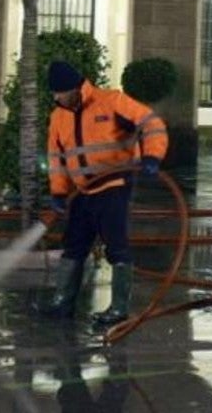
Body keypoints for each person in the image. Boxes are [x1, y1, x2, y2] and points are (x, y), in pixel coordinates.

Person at [37, 60, 169, 326]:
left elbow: (151, 123)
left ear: (75, 87)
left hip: (114, 186)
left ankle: (119, 308)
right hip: (84, 192)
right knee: (73, 246)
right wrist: (59, 193)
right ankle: (63, 302)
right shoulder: (58, 116)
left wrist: (153, 155)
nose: (56, 97)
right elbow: (57, 159)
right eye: (54, 93)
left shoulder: (111, 101)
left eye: (60, 92)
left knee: (116, 246)